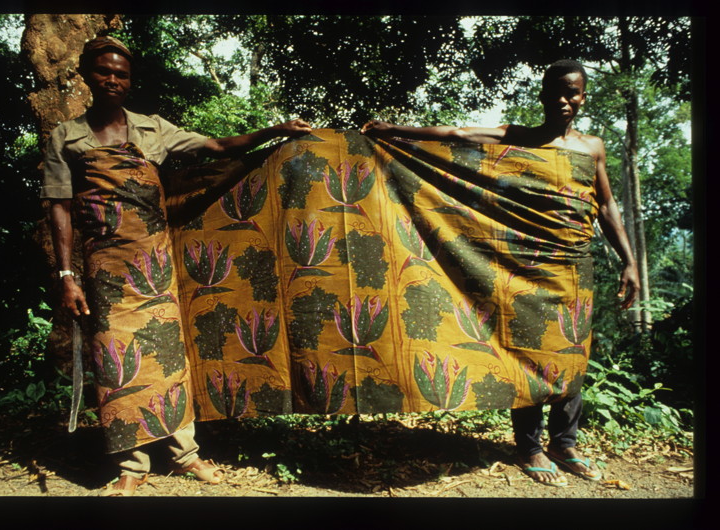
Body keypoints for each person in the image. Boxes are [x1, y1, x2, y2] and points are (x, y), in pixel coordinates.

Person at [41, 35, 311, 496]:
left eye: (121, 74)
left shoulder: (152, 129)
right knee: (116, 364)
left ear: (130, 81)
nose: (112, 80)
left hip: (155, 263)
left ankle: (186, 456)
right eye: (103, 71)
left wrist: (273, 132)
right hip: (106, 268)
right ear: (87, 75)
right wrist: (68, 276)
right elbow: (59, 209)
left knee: (166, 357)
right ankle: (132, 463)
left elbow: (215, 147)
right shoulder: (67, 137)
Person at [361, 59, 640, 486]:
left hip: (575, 264)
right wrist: (396, 132)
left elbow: (605, 206)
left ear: (584, 96)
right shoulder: (517, 138)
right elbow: (458, 135)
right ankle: (529, 447)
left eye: (575, 93)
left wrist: (629, 261)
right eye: (560, 92)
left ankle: (566, 444)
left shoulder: (592, 147)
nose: (567, 101)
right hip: (525, 264)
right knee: (528, 352)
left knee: (572, 353)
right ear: (544, 94)